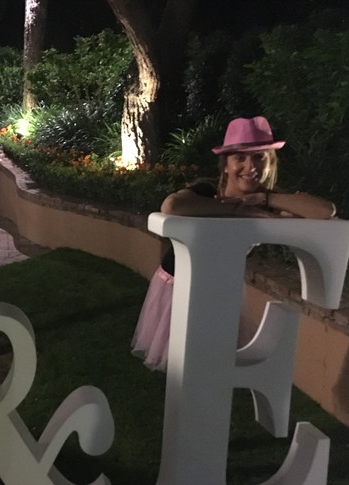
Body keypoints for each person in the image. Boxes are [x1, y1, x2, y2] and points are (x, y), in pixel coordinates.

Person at [131, 116, 336, 372]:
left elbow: (325, 211)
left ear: (270, 163)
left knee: (214, 364)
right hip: (178, 287)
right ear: (226, 165)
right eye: (240, 158)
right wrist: (239, 209)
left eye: (259, 157)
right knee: (185, 365)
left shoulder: (268, 202)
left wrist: (264, 198)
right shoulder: (206, 191)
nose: (250, 166)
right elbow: (171, 206)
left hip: (224, 290)